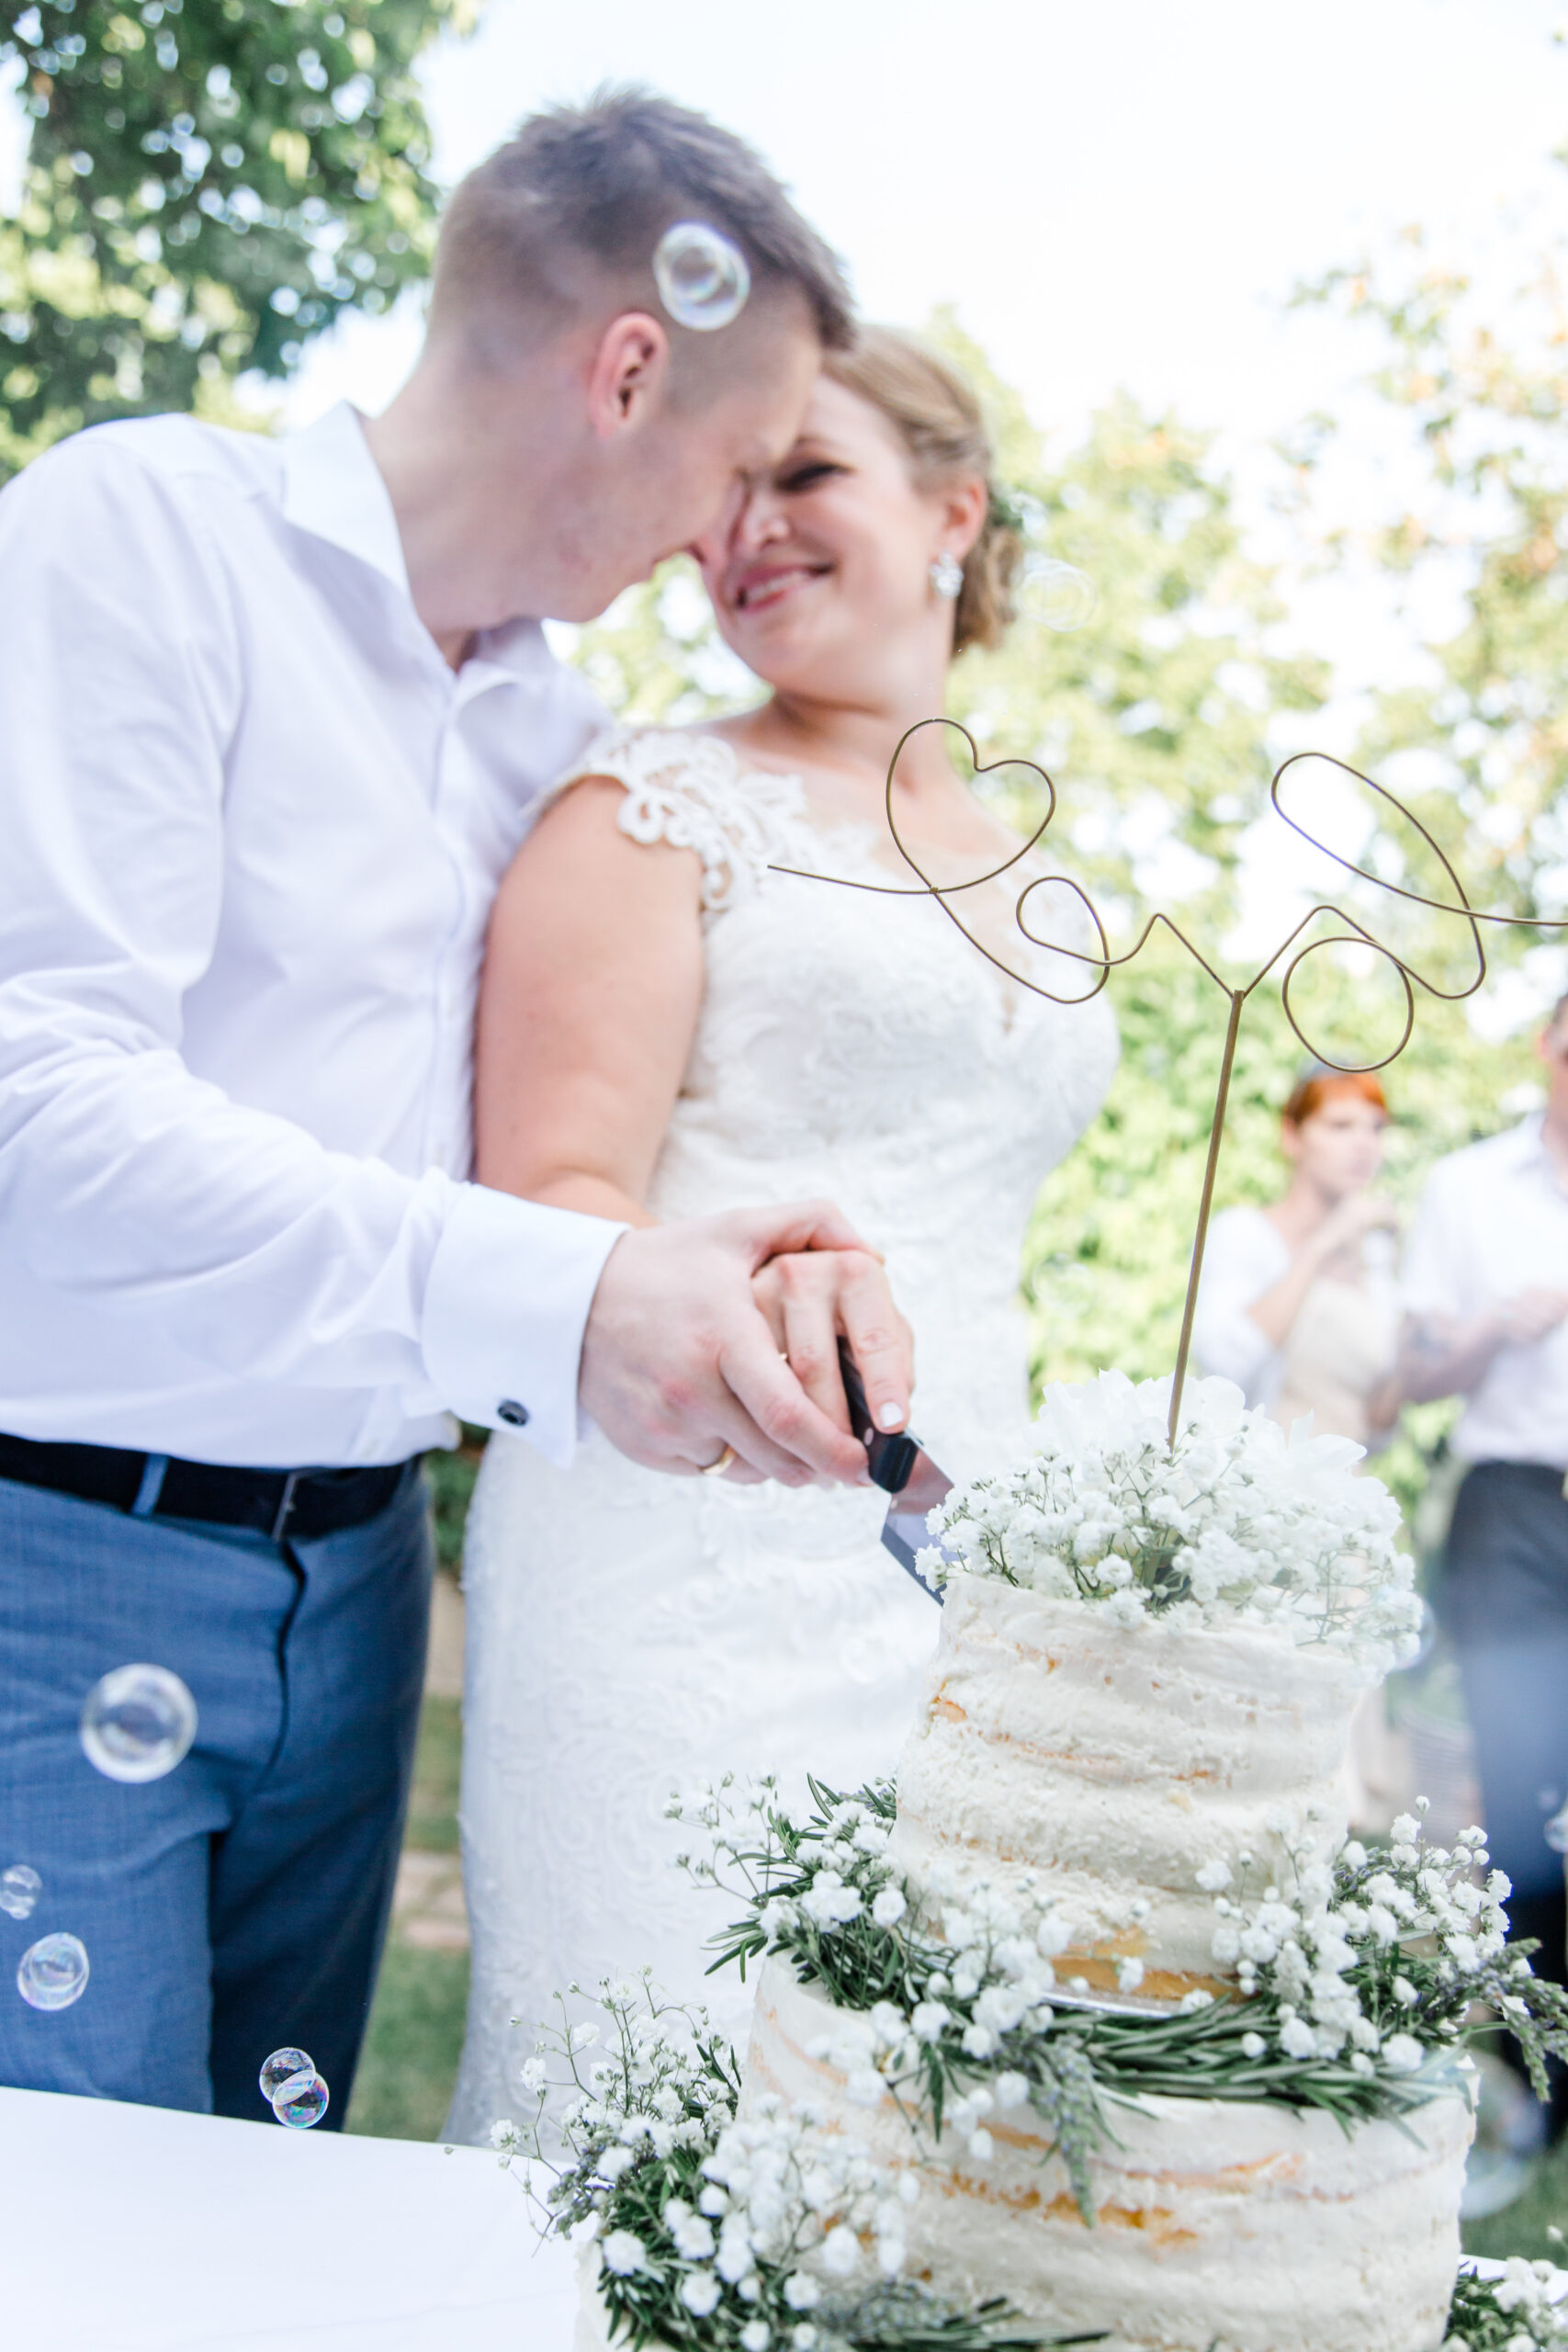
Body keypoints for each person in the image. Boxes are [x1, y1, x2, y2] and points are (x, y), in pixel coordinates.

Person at [0, 93, 919, 2126]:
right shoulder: (141, 529)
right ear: (623, 371)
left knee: (267, 2225)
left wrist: (736, 1258)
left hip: (360, 1603)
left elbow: (573, 1133)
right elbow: (35, 1111)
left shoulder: (558, 733)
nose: (727, 538)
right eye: (741, 459)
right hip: (57, 1551)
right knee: (55, 2239)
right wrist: (561, 1285)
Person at [445, 327, 1120, 2141]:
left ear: (950, 508)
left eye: (804, 473)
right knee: (656, 2120)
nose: (745, 526)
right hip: (677, 1553)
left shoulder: (1051, 873)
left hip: (963, 1580)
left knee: (917, 2153)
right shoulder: (644, 806)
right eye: (721, 487)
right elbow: (549, 1192)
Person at [1400, 992, 1568, 2111]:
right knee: (1522, 1787)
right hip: (1512, 1505)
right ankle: (1533, 2071)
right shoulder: (1467, 1188)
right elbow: (1413, 1374)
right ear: (1550, 1043)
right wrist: (1494, 1328)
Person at [1193, 1065, 1402, 1449]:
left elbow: (1378, 1430)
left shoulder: (1377, 1255)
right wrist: (1322, 1247)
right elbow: (1223, 1366)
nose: (1363, 1144)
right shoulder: (1244, 1233)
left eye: (1376, 1128)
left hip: (1345, 1490)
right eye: (1340, 1126)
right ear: (1292, 1136)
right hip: (1258, 1480)